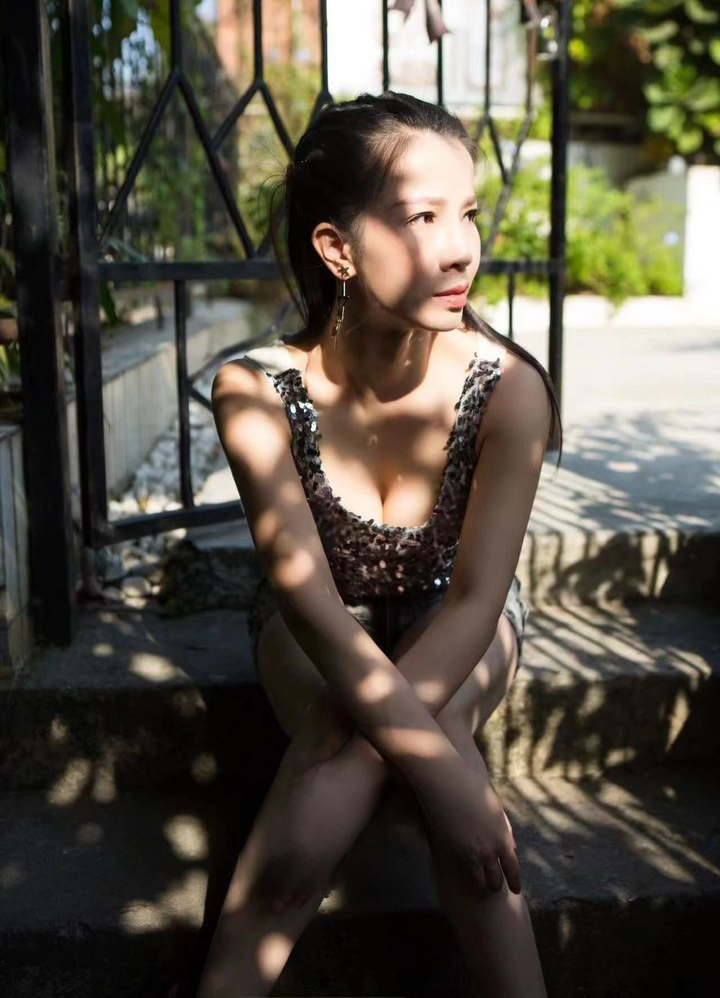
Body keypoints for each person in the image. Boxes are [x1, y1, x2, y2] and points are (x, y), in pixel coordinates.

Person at [197, 90, 562, 998]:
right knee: (347, 735)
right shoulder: (253, 392)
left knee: (427, 750)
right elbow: (311, 604)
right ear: (339, 249)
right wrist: (445, 780)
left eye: (468, 213)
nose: (462, 247)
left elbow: (477, 599)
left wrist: (438, 769)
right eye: (423, 217)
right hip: (319, 619)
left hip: (463, 611)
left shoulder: (510, 389)